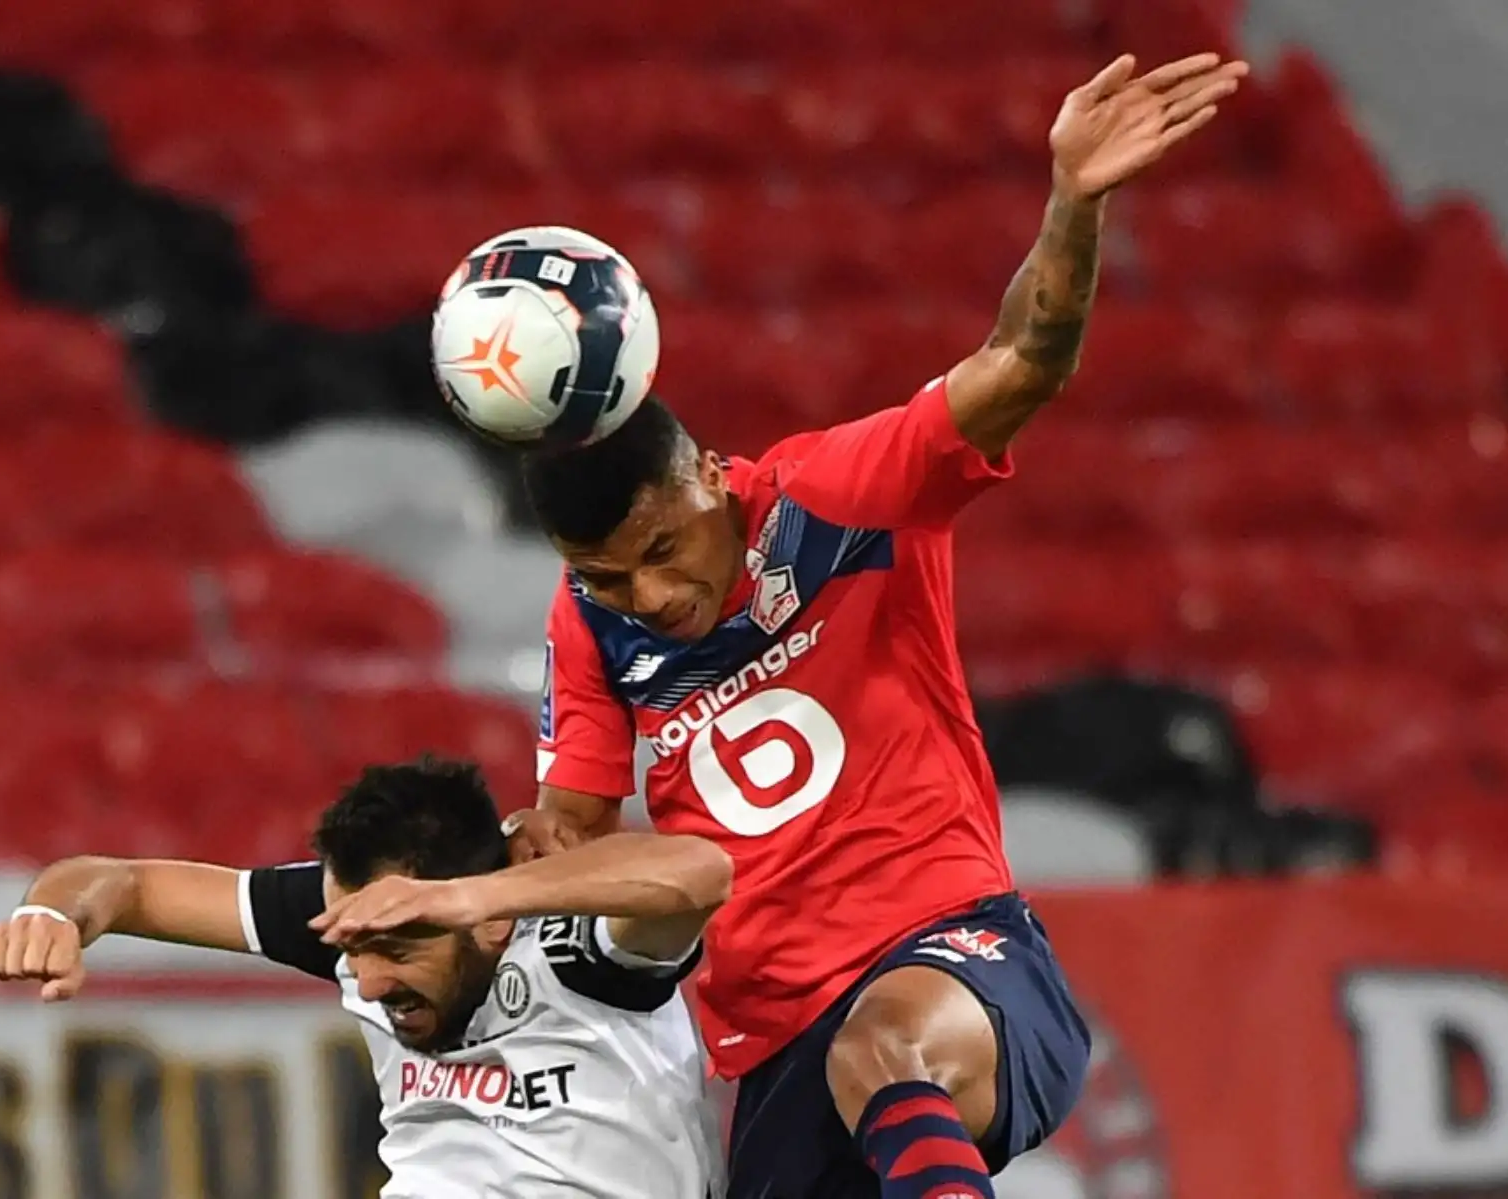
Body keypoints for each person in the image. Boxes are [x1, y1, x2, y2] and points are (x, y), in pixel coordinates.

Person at [509, 51, 1249, 1199]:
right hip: (769, 1049)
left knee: (883, 1046)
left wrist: (1071, 205)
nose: (647, 596)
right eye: (610, 577)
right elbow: (578, 826)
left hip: (959, 963)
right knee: (851, 1068)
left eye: (662, 552)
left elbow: (1019, 365)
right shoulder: (587, 624)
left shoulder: (833, 498)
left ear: (710, 478)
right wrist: (522, 855)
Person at [0, 757, 731, 1198]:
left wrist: (468, 896)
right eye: (356, 948)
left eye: (399, 947)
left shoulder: (582, 946)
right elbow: (117, 880)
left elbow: (699, 869)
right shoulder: (349, 920)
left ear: (489, 918)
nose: (367, 982)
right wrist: (55, 915)